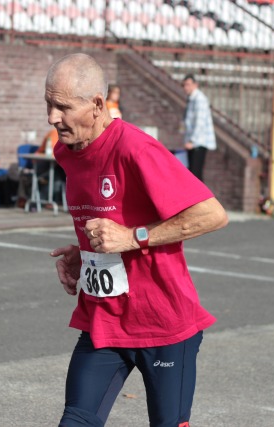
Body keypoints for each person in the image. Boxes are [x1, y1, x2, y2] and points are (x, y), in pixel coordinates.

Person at [46, 53, 228, 427]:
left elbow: (212, 214)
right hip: (104, 320)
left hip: (162, 323)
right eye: (48, 104)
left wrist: (133, 237)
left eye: (63, 107)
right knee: (75, 421)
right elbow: (111, 220)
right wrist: (85, 253)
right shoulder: (66, 152)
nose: (52, 117)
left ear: (98, 105)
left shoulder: (136, 149)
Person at [182, 74, 216, 182]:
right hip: (192, 142)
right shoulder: (191, 99)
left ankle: (200, 194)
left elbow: (199, 122)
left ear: (195, 85)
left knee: (195, 174)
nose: (185, 87)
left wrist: (192, 141)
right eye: (184, 85)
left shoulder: (199, 99)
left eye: (188, 84)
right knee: (192, 174)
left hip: (198, 142)